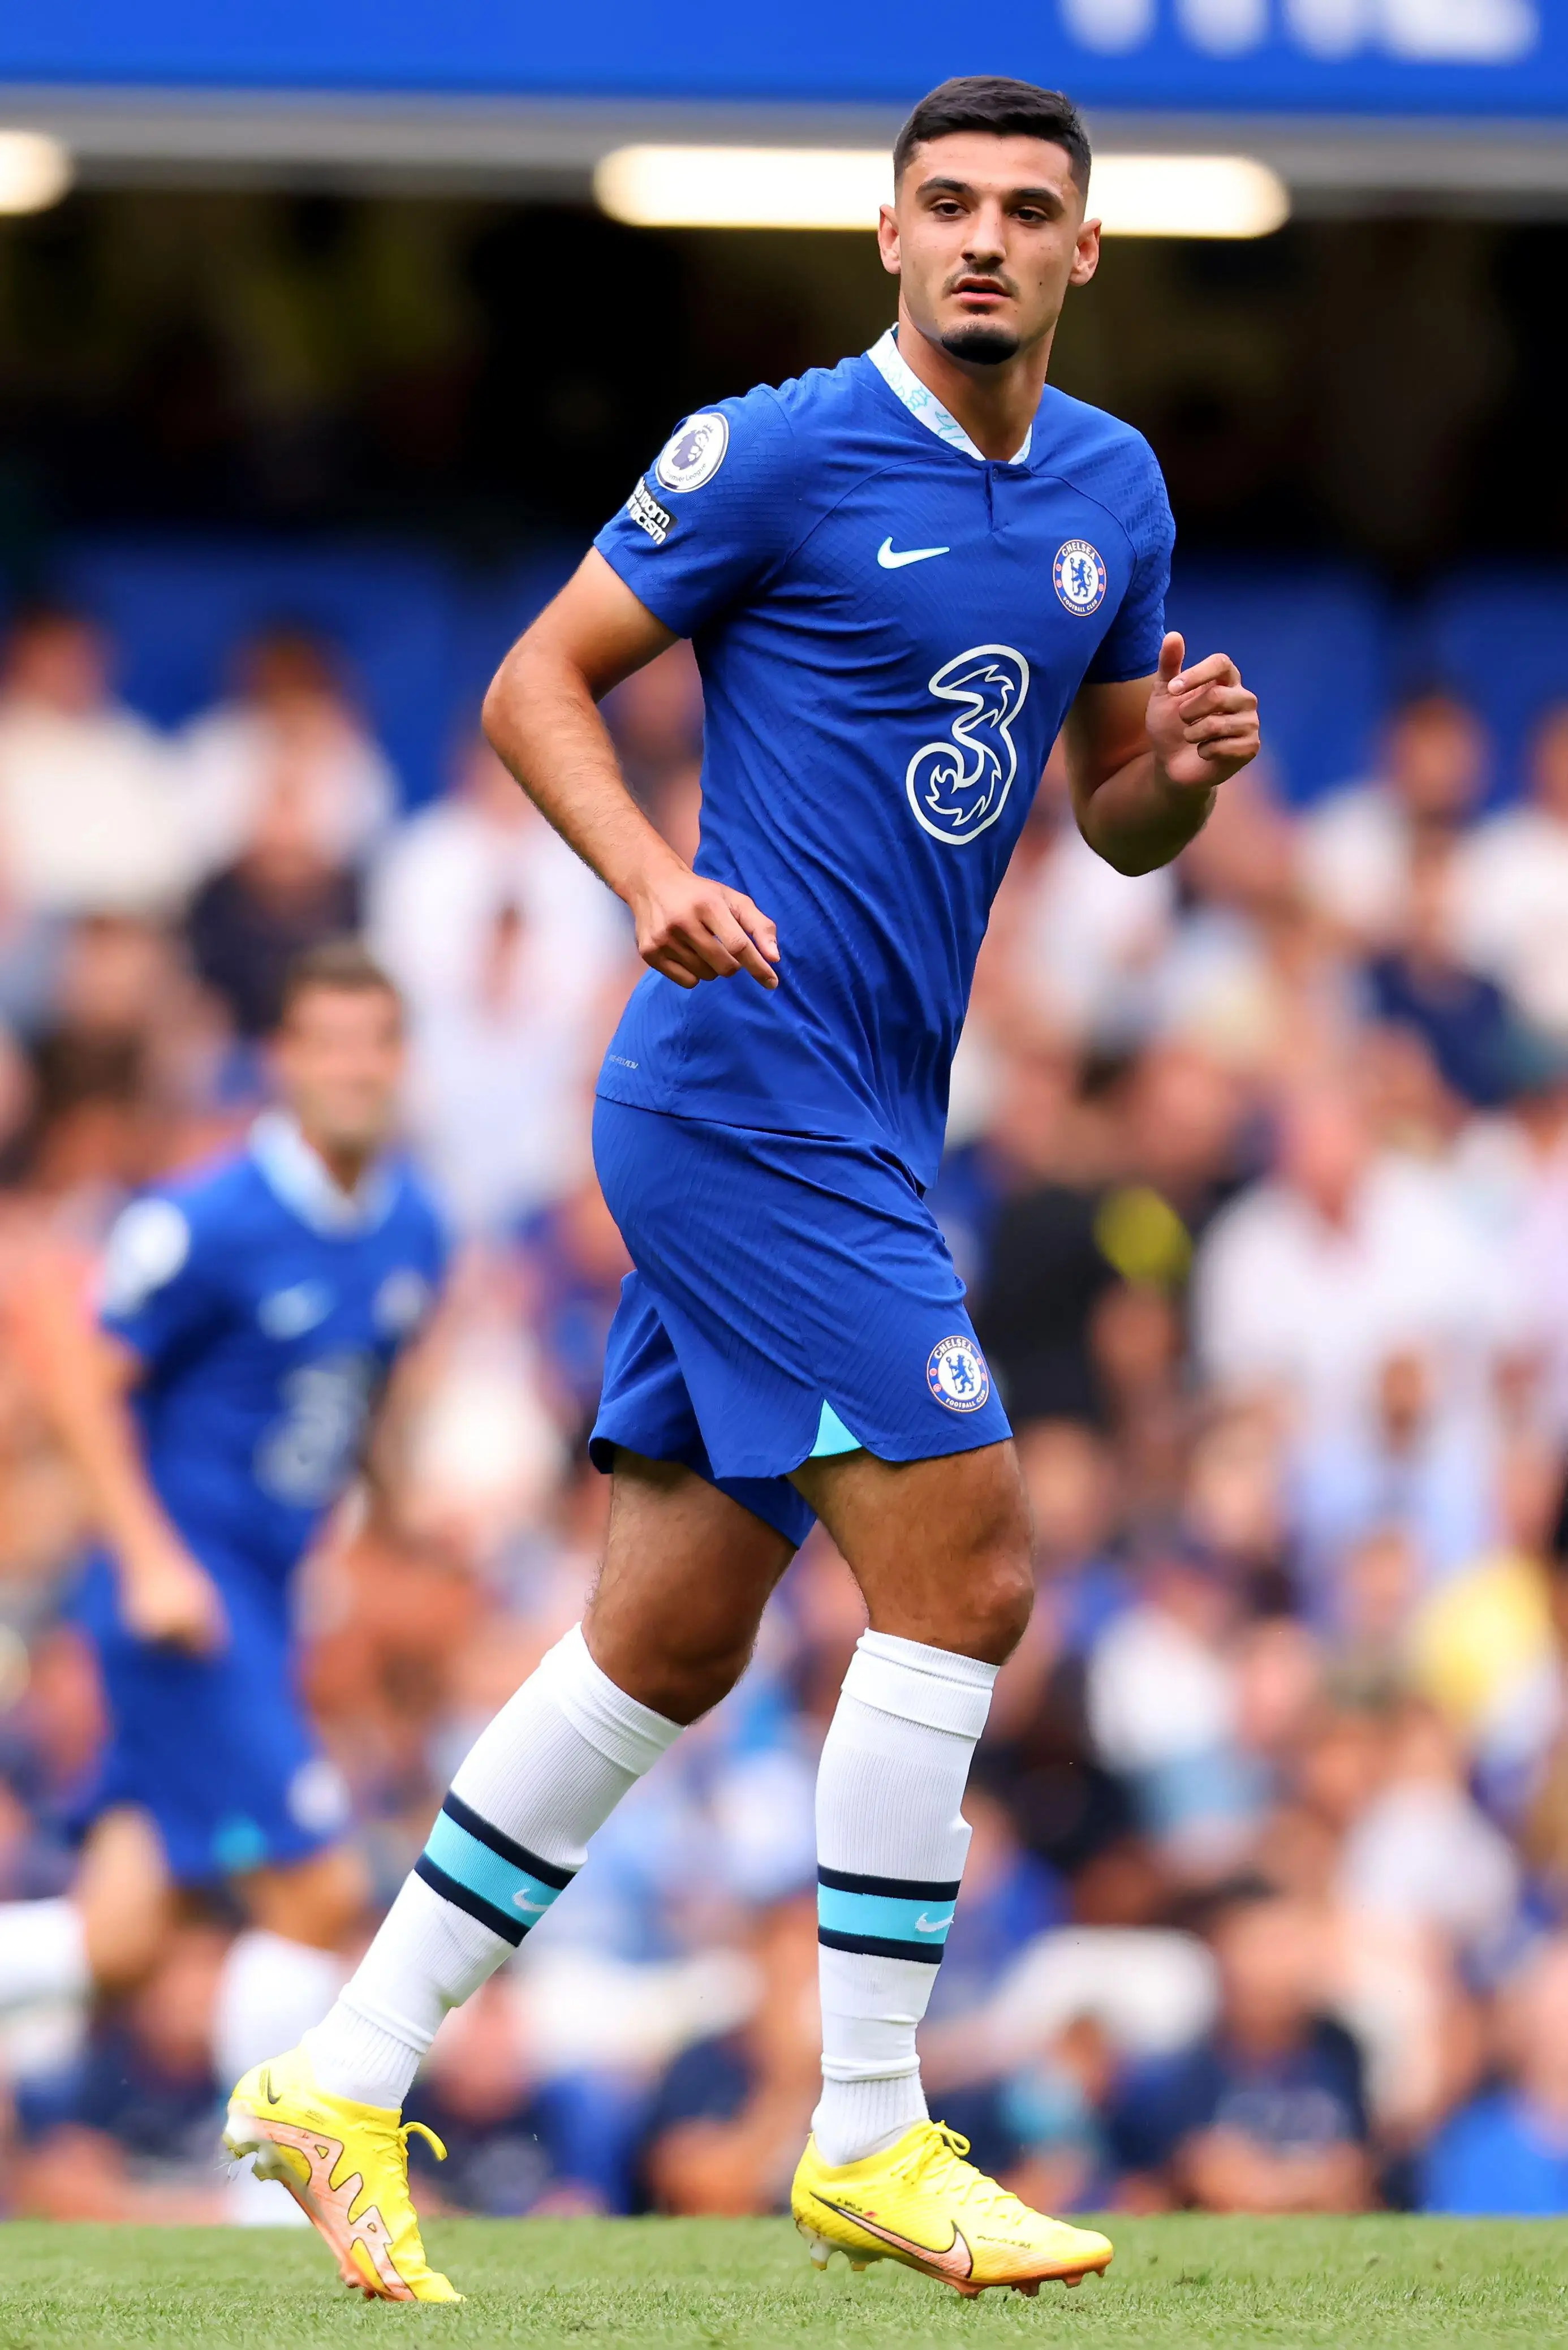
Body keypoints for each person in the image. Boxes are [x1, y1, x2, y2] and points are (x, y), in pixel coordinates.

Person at [227, 75, 1259, 2304]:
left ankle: (339, 2068)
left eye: (1028, 210)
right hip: (737, 1086)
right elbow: (535, 682)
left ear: (1084, 253)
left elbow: (1110, 812)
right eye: (947, 203)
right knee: (970, 1566)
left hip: (872, 1111)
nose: (983, 238)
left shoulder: (1113, 488)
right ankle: (870, 2125)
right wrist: (647, 877)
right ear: (888, 235)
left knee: (673, 1637)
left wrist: (1171, 778)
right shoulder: (777, 449)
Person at [0, 941, 447, 2210]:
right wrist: (149, 1557)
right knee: (316, 1886)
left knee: (122, 1938)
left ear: (400, 1062)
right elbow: (80, 1372)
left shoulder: (414, 1224)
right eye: (328, 1043)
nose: (353, 1068)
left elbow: (359, 1388)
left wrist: (397, 1520)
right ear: (284, 1061)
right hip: (187, 1607)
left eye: (375, 1043)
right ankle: (269, 2210)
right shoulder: (205, 1219)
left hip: (264, 1595)